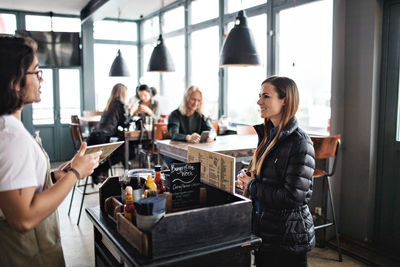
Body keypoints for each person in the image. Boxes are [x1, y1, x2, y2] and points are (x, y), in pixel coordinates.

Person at [0, 36, 101, 267]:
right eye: (36, 72)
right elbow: (23, 218)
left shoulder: (8, 129)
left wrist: (54, 178)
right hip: (25, 254)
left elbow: (17, 187)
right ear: (15, 81)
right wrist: (76, 174)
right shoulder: (11, 137)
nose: (41, 78)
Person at [237, 76, 315, 267]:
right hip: (268, 231)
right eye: (259, 96)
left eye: (266, 96)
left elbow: (292, 197)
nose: (259, 102)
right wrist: (250, 178)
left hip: (287, 237)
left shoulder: (300, 143)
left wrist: (252, 185)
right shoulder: (268, 135)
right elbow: (269, 179)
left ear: (285, 100)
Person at [87, 83, 130, 182]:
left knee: (118, 150)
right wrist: (131, 111)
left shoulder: (110, 102)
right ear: (123, 93)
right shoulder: (120, 103)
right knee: (125, 151)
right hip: (101, 140)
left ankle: (101, 171)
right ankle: (103, 170)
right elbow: (124, 123)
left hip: (94, 137)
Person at [165, 86, 214, 167]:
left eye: (198, 100)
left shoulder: (202, 115)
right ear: (186, 99)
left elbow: (212, 130)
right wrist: (189, 137)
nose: (196, 103)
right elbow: (174, 134)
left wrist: (211, 136)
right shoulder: (175, 114)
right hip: (176, 153)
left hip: (197, 153)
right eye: (193, 99)